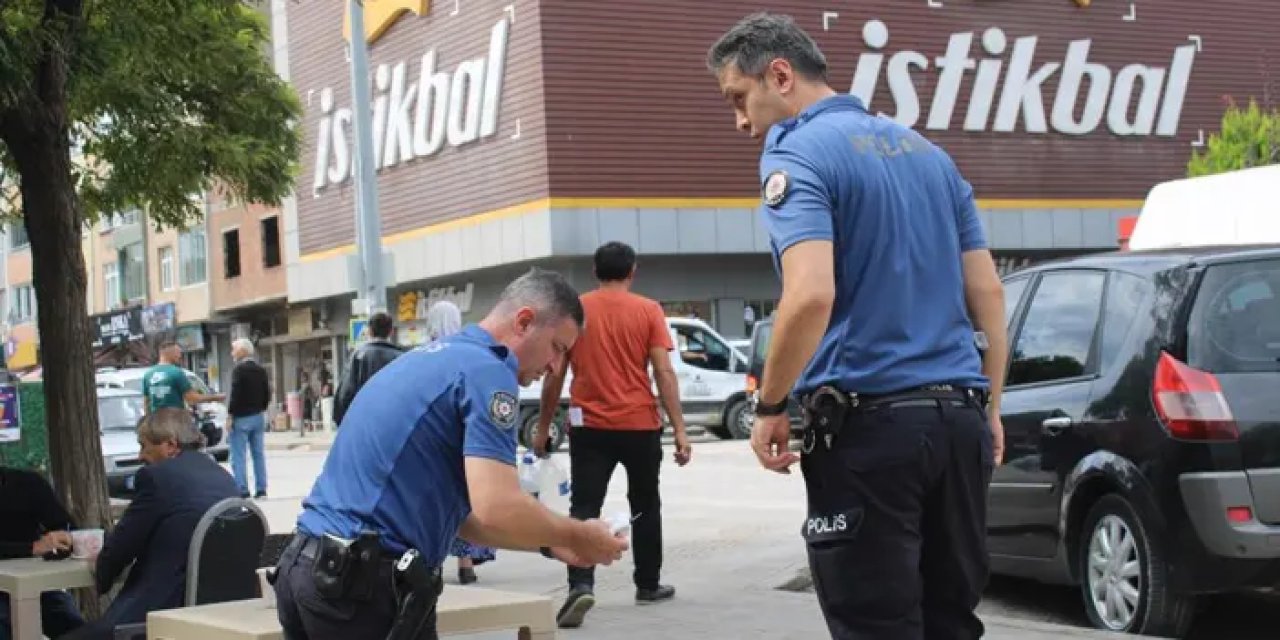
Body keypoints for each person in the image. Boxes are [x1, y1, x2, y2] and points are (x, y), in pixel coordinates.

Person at [707, 14, 1008, 640]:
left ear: (780, 76)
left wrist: (770, 405)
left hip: (872, 433)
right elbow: (988, 294)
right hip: (960, 425)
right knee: (952, 622)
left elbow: (810, 295)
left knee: (876, 624)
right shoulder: (930, 155)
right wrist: (992, 409)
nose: (740, 122)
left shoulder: (795, 151)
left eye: (738, 98)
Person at [273, 268, 629, 639]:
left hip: (309, 570)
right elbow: (499, 505)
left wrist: (551, 542)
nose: (556, 367)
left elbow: (465, 519)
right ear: (524, 321)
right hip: (362, 590)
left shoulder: (429, 359)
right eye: (557, 348)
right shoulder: (489, 371)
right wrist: (580, 534)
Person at [533, 241, 692, 629]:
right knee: (646, 504)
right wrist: (680, 429)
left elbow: (555, 373)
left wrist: (543, 426)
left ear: (595, 271)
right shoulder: (648, 310)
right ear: (632, 271)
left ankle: (580, 583)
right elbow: (663, 371)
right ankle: (648, 584)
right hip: (640, 425)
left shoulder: (577, 310)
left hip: (589, 428)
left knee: (585, 506)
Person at [64, 409, 240, 640]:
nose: (140, 456)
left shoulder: (157, 477)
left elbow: (124, 544)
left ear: (170, 445)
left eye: (144, 446)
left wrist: (101, 572)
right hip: (217, 613)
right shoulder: (225, 478)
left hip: (159, 612)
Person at [0, 467, 85, 640]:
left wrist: (62, 538)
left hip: (34, 583)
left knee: (75, 627)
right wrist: (32, 548)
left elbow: (64, 525)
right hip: (18, 583)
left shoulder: (28, 482)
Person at [332, 311, 405, 426]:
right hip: (394, 423)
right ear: (391, 331)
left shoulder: (358, 357)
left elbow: (345, 395)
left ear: (369, 331)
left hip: (365, 424)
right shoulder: (401, 357)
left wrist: (343, 423)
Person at [226, 338, 271, 499]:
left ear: (242, 351)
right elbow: (267, 393)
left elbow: (236, 394)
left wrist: (230, 415)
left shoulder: (239, 370)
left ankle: (242, 490)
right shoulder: (260, 370)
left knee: (238, 455)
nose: (232, 353)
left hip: (241, 418)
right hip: (258, 416)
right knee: (258, 454)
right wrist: (261, 408)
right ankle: (261, 489)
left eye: (234, 349)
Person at [141, 340, 224, 413]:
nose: (180, 356)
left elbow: (146, 404)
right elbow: (192, 399)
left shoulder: (148, 374)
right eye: (178, 353)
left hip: (156, 420)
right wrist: (215, 397)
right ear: (171, 353)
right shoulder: (176, 372)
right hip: (175, 419)